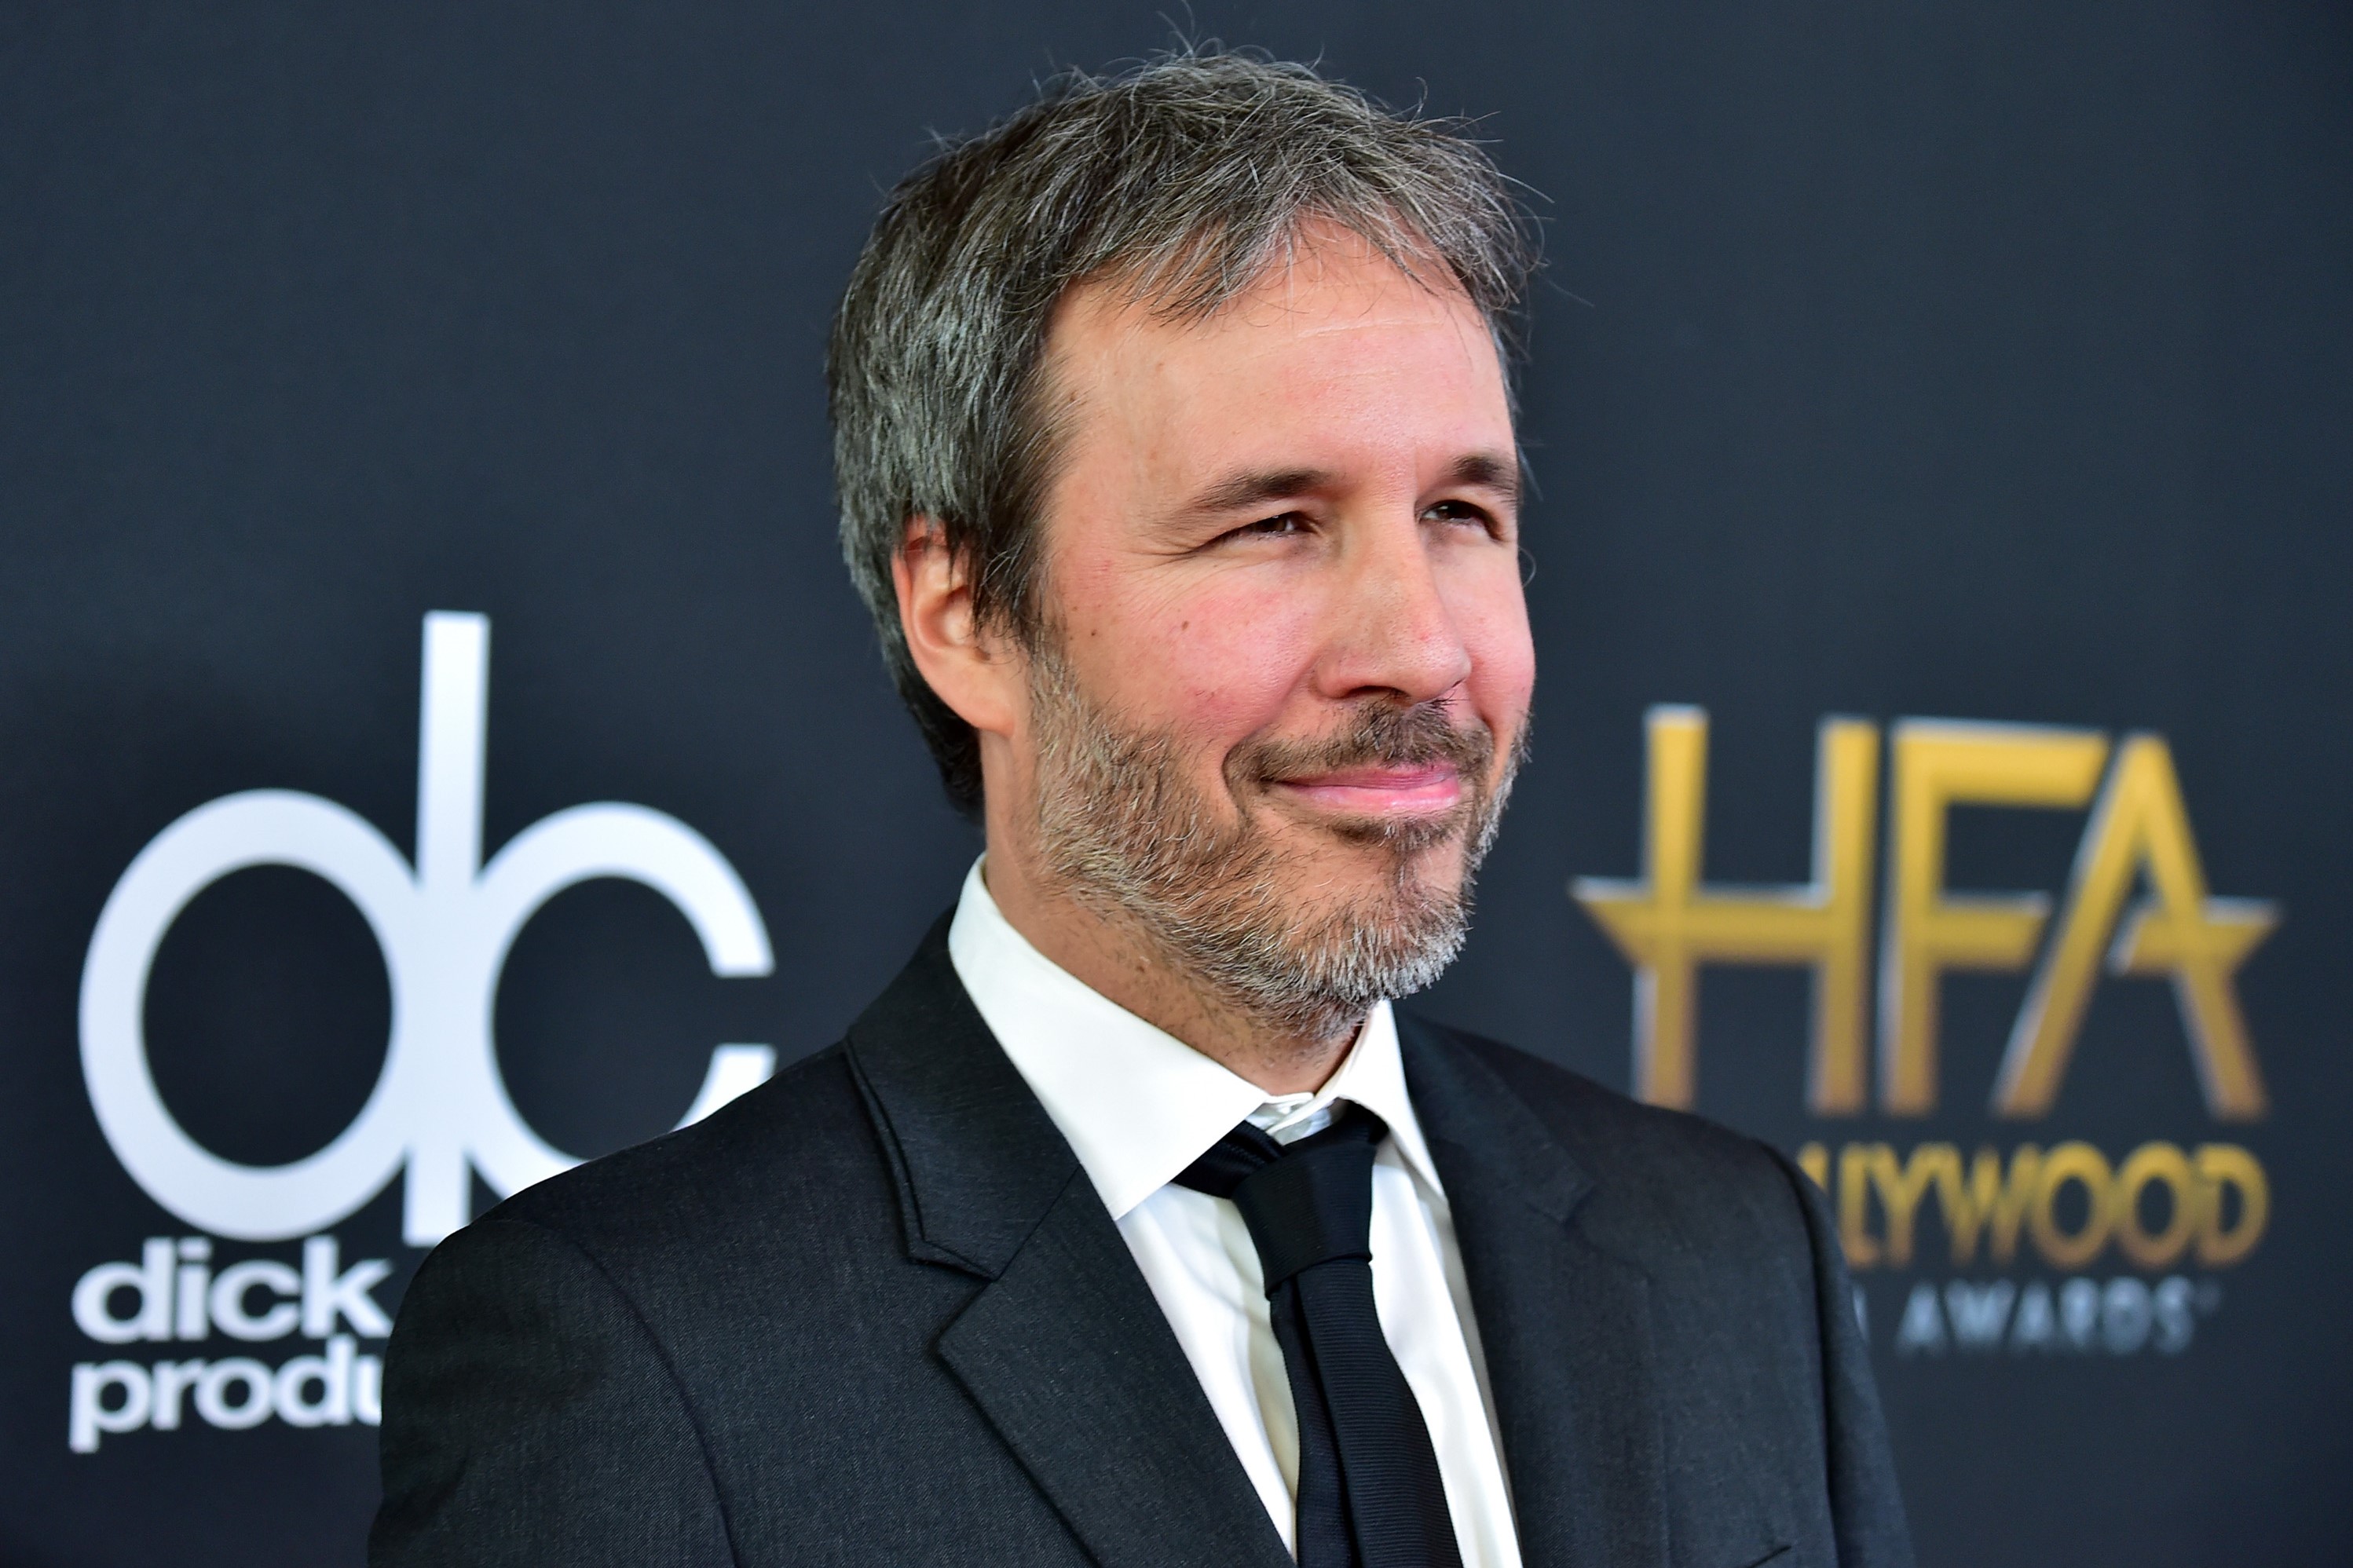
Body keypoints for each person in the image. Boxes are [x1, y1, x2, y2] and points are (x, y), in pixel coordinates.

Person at [371, 51, 1912, 1568]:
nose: (1420, 648)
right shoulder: (643, 1357)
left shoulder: (1725, 1250)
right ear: (964, 612)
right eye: (1272, 525)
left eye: (1459, 513)